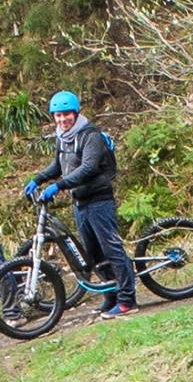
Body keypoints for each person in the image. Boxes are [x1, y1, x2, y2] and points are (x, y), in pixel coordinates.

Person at [25, 91, 138, 320]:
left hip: (99, 200)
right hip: (80, 202)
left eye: (66, 114)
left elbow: (88, 167)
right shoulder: (63, 137)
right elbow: (58, 165)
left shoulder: (90, 135)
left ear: (76, 113)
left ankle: (127, 300)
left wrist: (59, 186)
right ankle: (111, 296)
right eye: (57, 115)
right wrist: (38, 179)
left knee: (112, 249)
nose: (62, 119)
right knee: (94, 254)